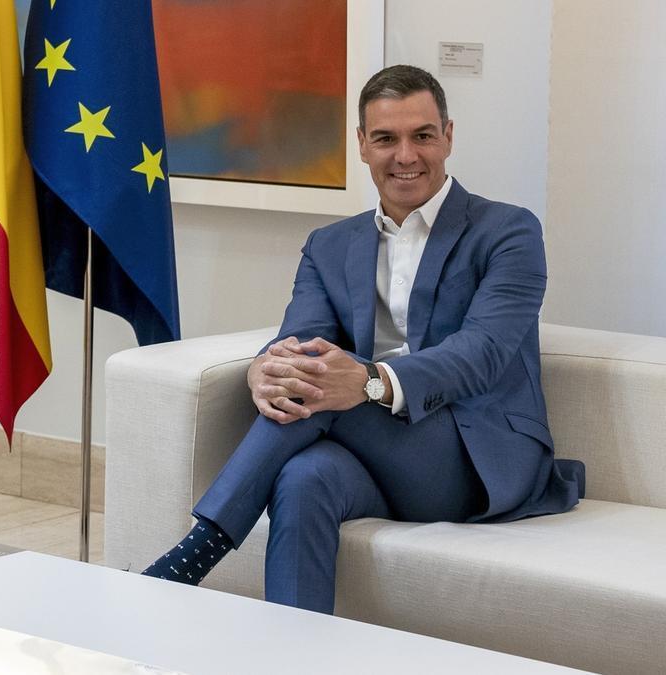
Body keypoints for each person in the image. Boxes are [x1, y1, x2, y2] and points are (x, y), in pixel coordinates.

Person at [143, 65, 584, 613]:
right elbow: (297, 341)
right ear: (361, 145)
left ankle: (194, 553)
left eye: (422, 135)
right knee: (304, 477)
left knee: (329, 374)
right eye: (386, 139)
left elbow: (484, 353)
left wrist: (371, 382)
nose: (406, 155)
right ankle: (295, 656)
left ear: (448, 135)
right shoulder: (329, 245)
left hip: (471, 457)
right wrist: (264, 369)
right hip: (374, 458)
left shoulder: (508, 232)